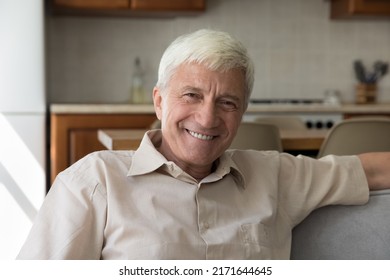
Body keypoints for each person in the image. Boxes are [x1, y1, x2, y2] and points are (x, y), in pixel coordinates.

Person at [17, 29, 390, 260]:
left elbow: (370, 170)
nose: (208, 118)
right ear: (159, 101)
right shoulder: (94, 181)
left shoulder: (276, 175)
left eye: (227, 102)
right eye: (191, 95)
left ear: (242, 112)